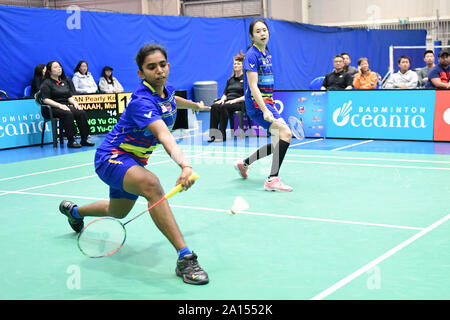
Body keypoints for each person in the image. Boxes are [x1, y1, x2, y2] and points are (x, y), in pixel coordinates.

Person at [58, 44, 210, 285]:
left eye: (162, 64)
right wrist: (185, 165)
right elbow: (164, 135)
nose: (159, 70)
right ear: (141, 73)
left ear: (168, 66)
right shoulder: (141, 101)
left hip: (133, 161)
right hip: (111, 157)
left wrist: (196, 106)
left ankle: (74, 212)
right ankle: (185, 257)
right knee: (152, 185)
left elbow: (172, 100)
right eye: (151, 67)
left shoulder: (165, 91)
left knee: (117, 212)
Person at [233, 19, 293, 192]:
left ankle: (244, 164)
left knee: (278, 141)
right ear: (252, 36)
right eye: (258, 31)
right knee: (286, 134)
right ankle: (272, 179)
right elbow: (253, 87)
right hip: (257, 104)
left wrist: (270, 104)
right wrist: (265, 110)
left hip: (268, 101)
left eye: (265, 30)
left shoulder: (266, 52)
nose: (263, 33)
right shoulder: (251, 55)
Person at [39, 60, 95, 148]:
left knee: (80, 112)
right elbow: (46, 100)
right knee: (68, 113)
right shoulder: (46, 83)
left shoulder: (64, 82)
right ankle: (71, 140)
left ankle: (84, 139)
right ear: (49, 71)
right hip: (51, 108)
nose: (59, 69)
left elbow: (69, 96)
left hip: (65, 106)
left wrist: (75, 104)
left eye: (60, 67)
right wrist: (59, 105)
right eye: (56, 67)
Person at [208, 51, 245, 142]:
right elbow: (225, 94)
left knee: (224, 106)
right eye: (234, 64)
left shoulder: (245, 79)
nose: (235, 65)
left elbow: (247, 96)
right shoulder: (230, 80)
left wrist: (234, 101)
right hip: (228, 101)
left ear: (242, 66)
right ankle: (213, 135)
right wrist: (222, 100)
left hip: (239, 103)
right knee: (215, 106)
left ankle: (222, 135)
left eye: (238, 64)